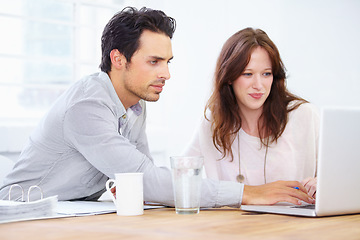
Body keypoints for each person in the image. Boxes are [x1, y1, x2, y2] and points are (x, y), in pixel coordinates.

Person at [0, 7, 245, 208]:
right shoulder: (88, 105)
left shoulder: (135, 105)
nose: (166, 74)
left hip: (71, 212)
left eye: (167, 62)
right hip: (23, 215)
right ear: (118, 59)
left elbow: (144, 181)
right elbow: (146, 181)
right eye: (154, 62)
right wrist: (244, 194)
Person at [183, 28, 318, 205]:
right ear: (229, 77)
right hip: (236, 227)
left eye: (266, 74)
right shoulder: (213, 123)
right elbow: (180, 180)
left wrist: (324, 183)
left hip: (294, 228)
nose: (259, 85)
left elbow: (343, 175)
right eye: (248, 74)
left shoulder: (303, 115)